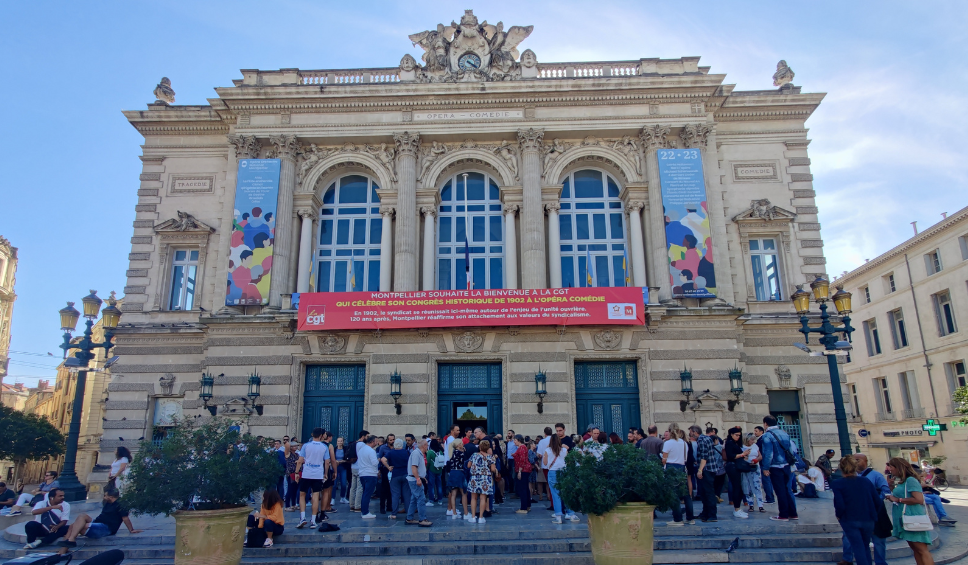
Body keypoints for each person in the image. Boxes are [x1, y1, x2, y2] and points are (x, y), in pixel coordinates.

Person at [56, 488, 141, 552]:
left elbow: (125, 518)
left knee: (77, 526)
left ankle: (65, 547)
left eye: (105, 495)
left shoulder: (121, 504)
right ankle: (69, 542)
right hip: (98, 522)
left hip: (107, 527)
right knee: (80, 517)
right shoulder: (108, 502)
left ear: (111, 497)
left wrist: (131, 530)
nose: (104, 497)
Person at [841, 453, 890, 565]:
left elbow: (885, 491)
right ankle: (847, 559)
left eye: (858, 460)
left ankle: (880, 562)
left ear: (865, 461)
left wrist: (872, 501)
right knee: (848, 538)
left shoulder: (876, 475)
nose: (855, 462)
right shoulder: (850, 478)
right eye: (853, 460)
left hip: (875, 512)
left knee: (878, 540)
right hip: (855, 513)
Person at [831, 456, 881, 565]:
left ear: (841, 468)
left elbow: (839, 504)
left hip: (849, 519)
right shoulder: (866, 481)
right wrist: (873, 515)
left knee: (857, 546)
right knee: (865, 545)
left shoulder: (837, 483)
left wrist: (839, 515)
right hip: (868, 519)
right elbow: (877, 501)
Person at [886, 458, 936, 565]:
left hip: (912, 517)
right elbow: (901, 494)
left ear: (898, 467)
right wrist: (890, 486)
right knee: (916, 549)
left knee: (922, 549)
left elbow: (919, 499)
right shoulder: (902, 481)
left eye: (891, 467)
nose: (889, 469)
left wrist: (898, 500)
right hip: (906, 518)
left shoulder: (911, 480)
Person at [760, 415, 798, 521]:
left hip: (775, 466)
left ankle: (783, 515)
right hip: (786, 465)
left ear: (765, 424)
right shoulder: (784, 433)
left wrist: (765, 468)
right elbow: (790, 450)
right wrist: (791, 464)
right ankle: (793, 513)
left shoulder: (767, 436)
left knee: (780, 491)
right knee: (787, 489)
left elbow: (768, 453)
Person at [295, 427, 330, 529]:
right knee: (315, 496)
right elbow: (327, 462)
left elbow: (300, 460)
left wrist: (297, 472)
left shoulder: (306, 446)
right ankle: (313, 520)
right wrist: (325, 473)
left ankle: (302, 517)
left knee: (302, 495)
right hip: (318, 474)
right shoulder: (324, 447)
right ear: (321, 435)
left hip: (307, 473)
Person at [543, 433, 578, 524]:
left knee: (555, 494)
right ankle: (571, 514)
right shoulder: (564, 450)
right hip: (563, 472)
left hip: (552, 472)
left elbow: (545, 463)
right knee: (566, 493)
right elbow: (568, 461)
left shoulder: (548, 450)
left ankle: (558, 516)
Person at [662, 425, 693, 525]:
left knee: (674, 494)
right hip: (682, 467)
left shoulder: (668, 443)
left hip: (671, 467)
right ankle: (690, 518)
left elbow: (664, 459)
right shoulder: (684, 443)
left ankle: (678, 519)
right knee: (686, 494)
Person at [691, 424, 719, 522]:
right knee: (704, 492)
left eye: (691, 432)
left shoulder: (702, 441)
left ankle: (711, 515)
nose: (690, 435)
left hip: (706, 469)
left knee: (708, 492)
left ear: (695, 432)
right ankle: (705, 513)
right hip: (710, 468)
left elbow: (704, 457)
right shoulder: (706, 439)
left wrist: (700, 470)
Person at [721, 427, 749, 519]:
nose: (738, 437)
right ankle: (736, 509)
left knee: (738, 487)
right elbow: (730, 456)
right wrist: (742, 454)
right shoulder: (729, 443)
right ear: (731, 434)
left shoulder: (735, 443)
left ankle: (738, 508)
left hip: (735, 466)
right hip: (732, 466)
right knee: (736, 487)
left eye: (739, 435)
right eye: (736, 435)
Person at [468, 439, 497, 524]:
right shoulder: (490, 457)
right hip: (485, 479)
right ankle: (481, 517)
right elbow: (493, 469)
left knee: (473, 498)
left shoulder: (474, 455)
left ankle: (473, 517)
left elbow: (468, 465)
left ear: (480, 447)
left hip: (475, 477)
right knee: (483, 498)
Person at [406, 438, 433, 527]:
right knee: (421, 499)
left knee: (414, 499)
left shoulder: (419, 454)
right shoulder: (416, 454)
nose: (427, 447)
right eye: (427, 445)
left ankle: (409, 518)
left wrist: (422, 477)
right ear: (424, 446)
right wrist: (418, 479)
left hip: (416, 478)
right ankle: (422, 519)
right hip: (414, 479)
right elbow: (414, 467)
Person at [382, 438, 411, 519]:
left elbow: (383, 459)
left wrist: (388, 467)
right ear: (402, 445)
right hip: (406, 474)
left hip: (395, 475)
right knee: (407, 495)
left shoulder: (391, 453)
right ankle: (409, 513)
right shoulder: (407, 452)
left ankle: (394, 514)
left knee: (395, 495)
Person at [357, 434, 380, 519]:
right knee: (368, 493)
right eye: (376, 441)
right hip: (370, 474)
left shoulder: (361, 450)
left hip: (362, 474)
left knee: (365, 493)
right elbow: (374, 463)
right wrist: (378, 460)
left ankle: (364, 511)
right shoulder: (371, 451)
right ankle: (365, 512)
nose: (377, 443)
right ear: (372, 441)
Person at [446, 436, 468, 519]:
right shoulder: (460, 453)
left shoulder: (453, 453)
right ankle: (466, 513)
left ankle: (454, 513)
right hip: (459, 472)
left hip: (453, 473)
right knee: (463, 493)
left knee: (453, 494)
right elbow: (464, 463)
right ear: (459, 444)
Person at [741, 433, 765, 513]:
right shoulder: (742, 447)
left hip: (755, 467)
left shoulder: (755, 446)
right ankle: (750, 504)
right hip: (747, 467)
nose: (753, 441)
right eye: (752, 439)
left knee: (757, 485)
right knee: (748, 486)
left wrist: (756, 460)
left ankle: (760, 505)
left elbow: (760, 456)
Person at [510, 434, 533, 514]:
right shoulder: (522, 447)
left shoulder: (522, 447)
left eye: (515, 440)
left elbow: (522, 460)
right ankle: (527, 505)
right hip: (524, 469)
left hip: (523, 470)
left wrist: (519, 471)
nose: (514, 442)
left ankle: (523, 508)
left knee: (523, 488)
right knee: (525, 488)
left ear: (518, 440)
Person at [753, 426, 775, 504]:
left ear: (761, 431)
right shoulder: (761, 439)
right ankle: (770, 497)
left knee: (766, 481)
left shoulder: (762, 439)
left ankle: (770, 498)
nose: (755, 432)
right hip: (765, 463)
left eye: (756, 431)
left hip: (764, 463)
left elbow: (765, 452)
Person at [348, 430, 367, 512]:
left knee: (353, 487)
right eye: (367, 436)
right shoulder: (362, 445)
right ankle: (357, 506)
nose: (367, 438)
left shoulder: (354, 443)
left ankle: (351, 505)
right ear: (363, 436)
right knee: (360, 487)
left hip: (353, 467)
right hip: (360, 468)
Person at [535, 427, 553, 506]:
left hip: (544, 464)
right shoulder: (554, 440)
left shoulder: (542, 442)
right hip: (553, 465)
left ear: (544, 433)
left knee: (541, 480)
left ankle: (541, 495)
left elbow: (539, 454)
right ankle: (550, 496)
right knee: (550, 483)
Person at [426, 438, 444, 504]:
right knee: (439, 485)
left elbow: (428, 462)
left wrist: (426, 468)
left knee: (431, 485)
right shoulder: (440, 451)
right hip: (439, 470)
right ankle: (440, 500)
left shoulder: (430, 452)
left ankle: (431, 500)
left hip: (432, 469)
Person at [334, 437, 349, 504]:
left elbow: (348, 458)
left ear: (343, 442)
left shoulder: (346, 449)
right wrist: (335, 461)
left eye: (341, 441)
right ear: (336, 442)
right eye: (338, 441)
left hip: (343, 467)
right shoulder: (334, 449)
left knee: (343, 484)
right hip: (335, 467)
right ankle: (332, 498)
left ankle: (342, 497)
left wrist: (343, 461)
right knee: (334, 484)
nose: (340, 442)